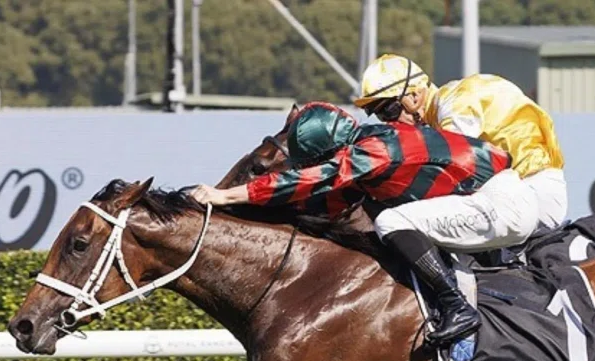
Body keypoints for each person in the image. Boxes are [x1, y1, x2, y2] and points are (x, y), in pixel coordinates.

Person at [190, 102, 537, 347]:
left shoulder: (374, 151)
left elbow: (313, 181)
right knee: (385, 218)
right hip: (487, 201)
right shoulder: (368, 146)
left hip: (501, 205)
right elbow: (328, 206)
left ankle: (456, 306)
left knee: (390, 220)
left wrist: (224, 197)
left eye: (313, 161)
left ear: (328, 151)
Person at [354, 55, 567, 231]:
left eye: (389, 111)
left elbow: (452, 173)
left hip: (531, 195)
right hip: (527, 191)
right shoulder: (448, 102)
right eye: (381, 117)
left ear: (414, 95)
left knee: (402, 221)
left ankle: (457, 283)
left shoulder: (455, 105)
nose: (390, 122)